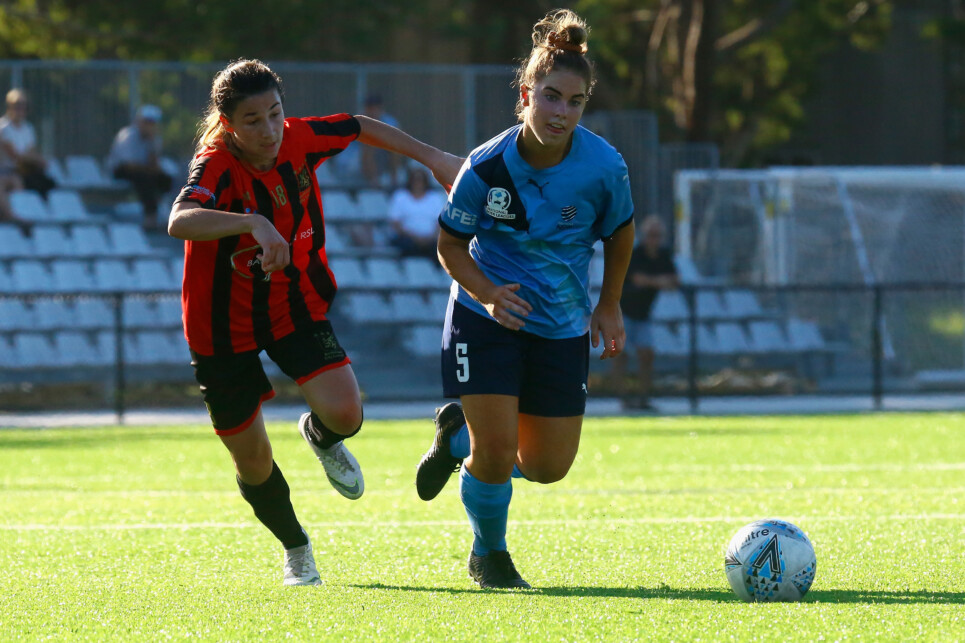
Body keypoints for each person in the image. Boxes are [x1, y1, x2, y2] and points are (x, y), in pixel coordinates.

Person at [167, 59, 461, 587]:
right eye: (252, 120)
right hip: (219, 328)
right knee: (253, 461)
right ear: (228, 123)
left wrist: (435, 158)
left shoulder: (300, 139)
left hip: (290, 305)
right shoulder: (214, 163)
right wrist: (253, 222)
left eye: (276, 113)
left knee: (347, 413)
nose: (269, 129)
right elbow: (179, 219)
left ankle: (322, 437)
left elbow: (359, 125)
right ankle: (296, 548)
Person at [414, 9, 635, 589]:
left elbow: (621, 230)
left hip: (560, 325)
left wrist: (608, 303)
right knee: (497, 451)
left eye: (575, 101)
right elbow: (449, 245)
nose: (561, 112)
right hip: (484, 317)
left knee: (546, 467)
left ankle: (458, 435)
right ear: (526, 93)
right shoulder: (486, 167)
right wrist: (487, 296)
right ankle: (490, 555)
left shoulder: (604, 166)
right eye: (551, 96)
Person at [614, 214, 679, 411]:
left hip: (643, 315)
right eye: (651, 235)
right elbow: (637, 279)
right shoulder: (636, 254)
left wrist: (652, 281)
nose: (654, 239)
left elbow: (675, 281)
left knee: (647, 355)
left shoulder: (664, 255)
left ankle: (643, 398)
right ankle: (623, 398)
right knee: (619, 354)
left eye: (658, 235)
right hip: (622, 313)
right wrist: (659, 281)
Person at [107, 104, 174, 230]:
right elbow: (128, 165)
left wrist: (152, 144)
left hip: (142, 171)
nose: (149, 125)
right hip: (121, 170)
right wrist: (150, 170)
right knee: (144, 178)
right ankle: (150, 216)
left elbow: (154, 164)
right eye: (146, 122)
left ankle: (166, 213)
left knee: (165, 178)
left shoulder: (154, 139)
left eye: (152, 123)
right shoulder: (127, 135)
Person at [0, 89, 56, 198]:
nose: (20, 108)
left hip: (25, 171)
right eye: (17, 105)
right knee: (18, 183)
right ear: (9, 106)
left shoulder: (28, 128)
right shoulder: (3, 127)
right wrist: (35, 159)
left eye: (23, 105)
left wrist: (37, 161)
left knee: (48, 184)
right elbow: (15, 156)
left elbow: (31, 152)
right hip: (7, 171)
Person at [387, 164, 448, 258]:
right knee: (407, 247)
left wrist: (430, 237)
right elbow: (395, 223)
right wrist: (414, 237)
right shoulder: (400, 196)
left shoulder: (434, 198)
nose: (418, 182)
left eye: (421, 179)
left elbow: (439, 223)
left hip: (430, 239)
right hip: (406, 238)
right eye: (415, 179)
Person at [360, 94, 402, 187]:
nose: (373, 111)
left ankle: (394, 180)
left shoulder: (390, 121)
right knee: (369, 146)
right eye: (370, 107)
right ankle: (374, 182)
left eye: (375, 107)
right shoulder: (359, 120)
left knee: (395, 147)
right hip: (354, 160)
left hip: (382, 154)